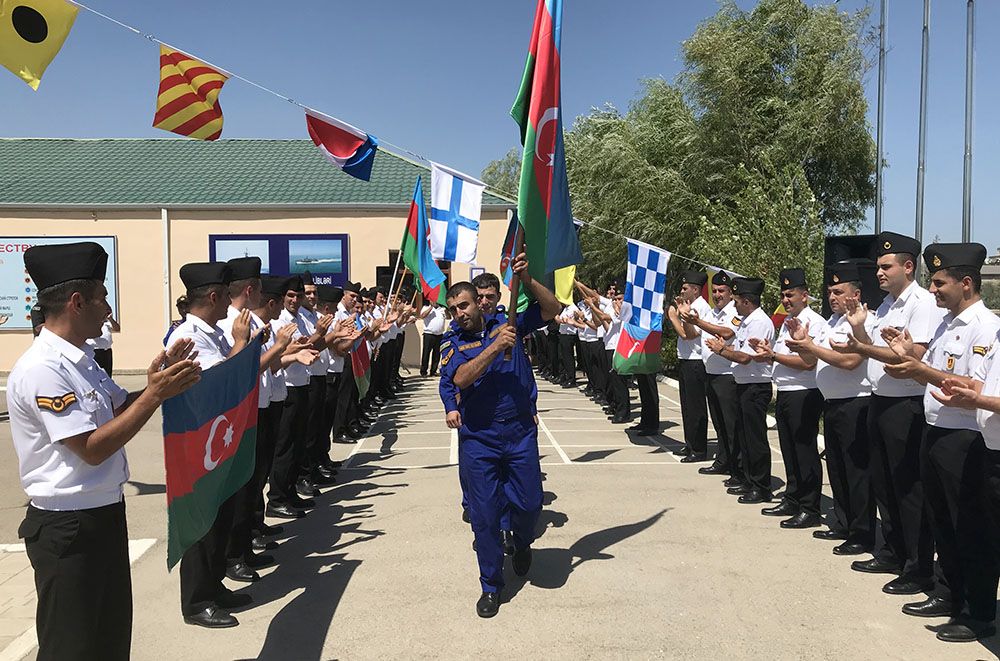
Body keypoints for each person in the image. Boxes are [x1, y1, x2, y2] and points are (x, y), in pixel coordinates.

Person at [10, 241, 200, 660]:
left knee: (110, 640)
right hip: (67, 530)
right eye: (102, 298)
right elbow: (91, 449)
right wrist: (153, 396)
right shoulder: (44, 368)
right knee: (72, 647)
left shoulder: (82, 360)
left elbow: (118, 408)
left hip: (102, 516)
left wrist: (157, 384)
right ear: (76, 302)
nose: (108, 308)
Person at [879, 243, 1000, 641]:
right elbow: (928, 374)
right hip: (935, 429)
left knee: (970, 528)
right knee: (941, 521)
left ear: (966, 283)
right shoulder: (947, 324)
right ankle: (948, 594)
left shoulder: (984, 327)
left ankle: (978, 612)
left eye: (940, 282)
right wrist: (906, 359)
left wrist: (919, 369)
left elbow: (971, 384)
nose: (933, 290)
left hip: (964, 438)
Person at [439, 250, 561, 618]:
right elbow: (459, 378)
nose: (459, 312)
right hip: (480, 438)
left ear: (480, 302)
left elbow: (552, 309)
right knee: (485, 517)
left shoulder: (509, 323)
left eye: (464, 305)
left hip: (520, 432)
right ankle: (491, 585)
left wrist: (527, 281)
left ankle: (522, 542)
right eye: (453, 308)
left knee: (529, 504)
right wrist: (495, 348)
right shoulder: (452, 341)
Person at [829, 231, 941, 595]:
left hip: (904, 405)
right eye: (877, 266)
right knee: (885, 483)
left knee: (909, 488)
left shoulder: (920, 303)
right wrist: (861, 327)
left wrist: (861, 344)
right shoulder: (885, 307)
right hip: (880, 400)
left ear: (908, 267)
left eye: (885, 266)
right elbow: (872, 349)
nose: (878, 273)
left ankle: (918, 566)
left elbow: (910, 357)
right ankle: (892, 551)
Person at [166, 261, 255, 628]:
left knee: (219, 518)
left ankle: (213, 585)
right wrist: (240, 343)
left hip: (217, 439)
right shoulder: (188, 336)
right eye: (224, 298)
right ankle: (196, 600)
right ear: (214, 296)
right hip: (197, 442)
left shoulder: (213, 333)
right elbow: (218, 382)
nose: (229, 307)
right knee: (202, 523)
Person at [783, 263, 876, 555]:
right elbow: (816, 360)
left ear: (856, 293)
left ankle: (862, 533)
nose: (833, 297)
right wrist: (804, 345)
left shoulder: (862, 323)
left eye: (839, 291)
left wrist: (811, 346)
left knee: (856, 471)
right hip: (833, 403)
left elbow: (850, 362)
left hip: (855, 403)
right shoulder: (833, 322)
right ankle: (844, 522)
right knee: (836, 468)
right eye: (830, 292)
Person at [752, 269, 826, 528]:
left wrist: (773, 356)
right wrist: (767, 352)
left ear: (805, 296)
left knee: (804, 451)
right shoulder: (787, 322)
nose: (786, 300)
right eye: (783, 295)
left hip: (804, 392)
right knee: (789, 450)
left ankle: (810, 507)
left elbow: (808, 362)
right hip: (785, 391)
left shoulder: (813, 322)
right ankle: (793, 497)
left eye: (790, 295)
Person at [706, 277, 774, 504]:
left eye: (736, 300)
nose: (733, 305)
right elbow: (741, 348)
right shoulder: (746, 321)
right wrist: (727, 349)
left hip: (756, 385)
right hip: (744, 384)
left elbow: (746, 357)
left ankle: (760, 485)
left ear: (746, 301)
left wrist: (721, 351)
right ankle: (748, 478)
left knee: (755, 439)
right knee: (744, 437)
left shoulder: (758, 322)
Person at [681, 272, 740, 478]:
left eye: (721, 291)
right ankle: (723, 461)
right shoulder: (712, 313)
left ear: (731, 293)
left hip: (728, 374)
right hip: (711, 372)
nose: (717, 294)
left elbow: (726, 332)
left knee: (731, 426)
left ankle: (737, 467)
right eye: (714, 291)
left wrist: (697, 321)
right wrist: (687, 318)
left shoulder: (735, 311)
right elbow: (692, 333)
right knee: (719, 423)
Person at [668, 271, 713, 462]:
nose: (682, 290)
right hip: (686, 358)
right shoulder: (689, 306)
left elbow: (690, 335)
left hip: (696, 360)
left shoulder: (700, 308)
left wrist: (674, 318)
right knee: (687, 406)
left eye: (685, 288)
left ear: (695, 289)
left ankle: (699, 448)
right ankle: (689, 443)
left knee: (696, 407)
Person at [421, 301, 448, 376]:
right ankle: (423, 371)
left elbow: (448, 317)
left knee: (437, 354)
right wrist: (431, 307)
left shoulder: (442, 309)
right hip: (429, 334)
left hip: (439, 335)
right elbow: (422, 316)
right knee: (426, 353)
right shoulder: (426, 308)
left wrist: (446, 309)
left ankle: (433, 371)